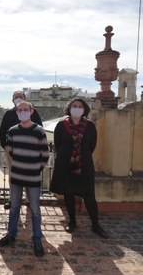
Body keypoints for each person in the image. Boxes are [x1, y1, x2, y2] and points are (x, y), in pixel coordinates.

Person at [50, 98, 109, 239]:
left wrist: (80, 155)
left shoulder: (89, 126)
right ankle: (72, 222)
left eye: (79, 106)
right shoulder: (61, 125)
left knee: (89, 196)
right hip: (66, 165)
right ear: (69, 109)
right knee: (68, 194)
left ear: (84, 109)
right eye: (74, 106)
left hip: (84, 166)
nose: (76, 108)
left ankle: (95, 225)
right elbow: (58, 145)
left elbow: (92, 145)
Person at [0, 101, 49, 257]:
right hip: (17, 176)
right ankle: (11, 234)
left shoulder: (40, 131)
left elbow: (45, 155)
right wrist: (16, 167)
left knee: (35, 209)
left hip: (33, 178)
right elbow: (10, 152)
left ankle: (37, 239)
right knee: (14, 207)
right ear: (17, 113)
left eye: (25, 110)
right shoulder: (12, 131)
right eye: (20, 110)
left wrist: (35, 169)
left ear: (31, 111)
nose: (22, 112)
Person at [0, 90, 43, 210]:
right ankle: (13, 199)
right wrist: (5, 146)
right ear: (12, 100)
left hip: (30, 149)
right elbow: (2, 131)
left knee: (29, 173)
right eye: (16, 97)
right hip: (12, 149)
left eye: (20, 96)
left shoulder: (33, 113)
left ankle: (29, 200)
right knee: (13, 174)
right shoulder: (8, 114)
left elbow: (40, 129)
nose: (18, 98)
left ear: (25, 99)